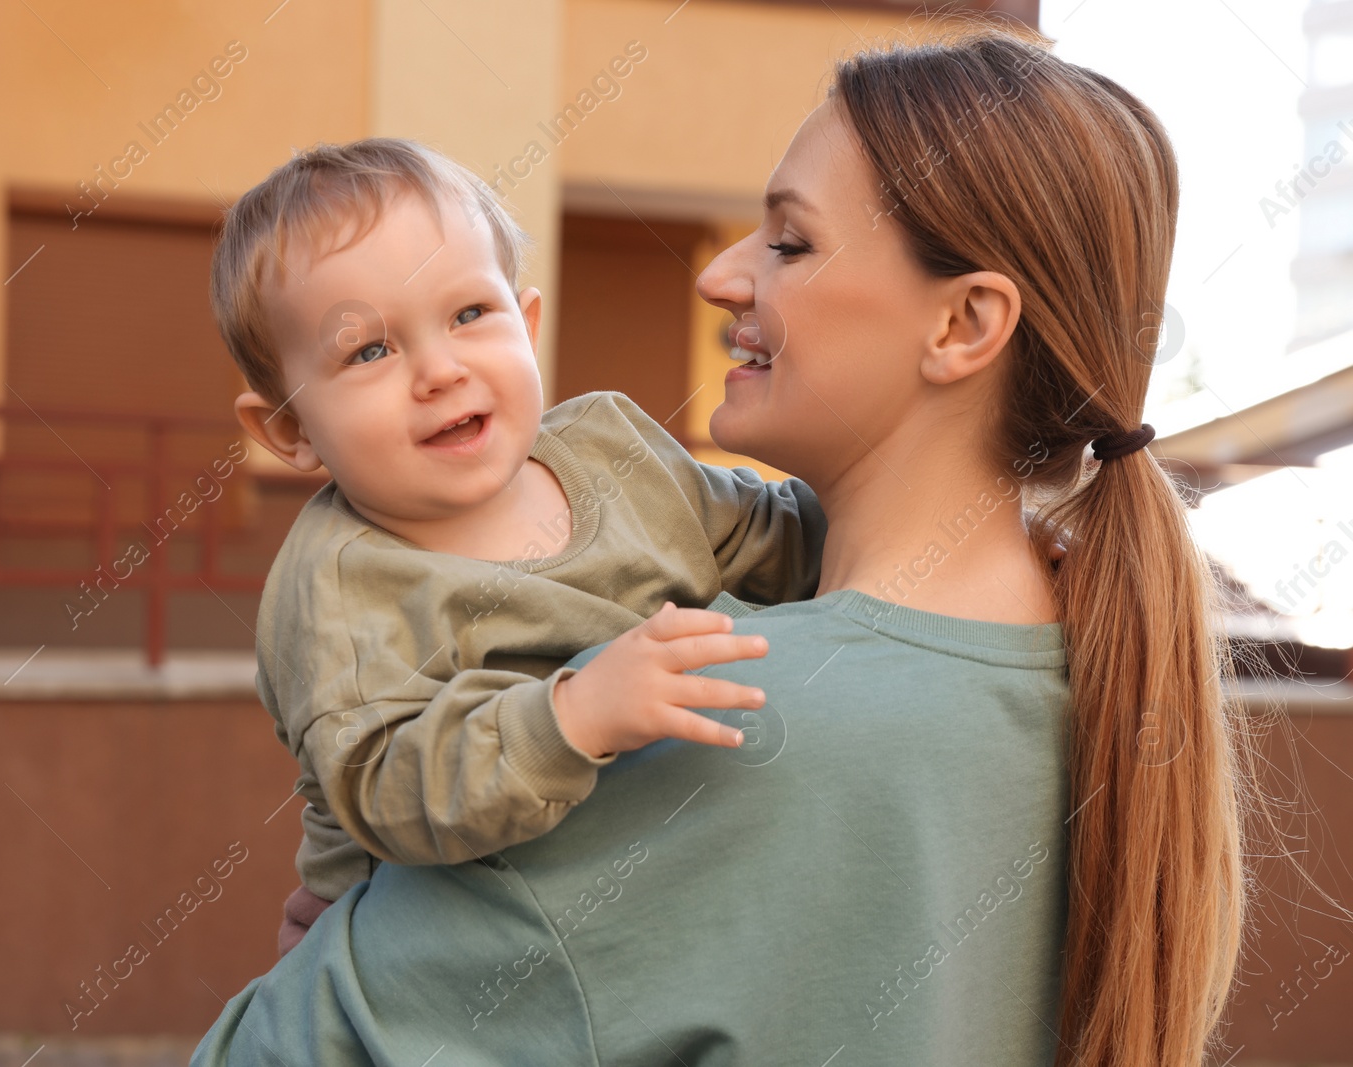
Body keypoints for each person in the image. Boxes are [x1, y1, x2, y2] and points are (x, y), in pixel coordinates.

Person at [193, 23, 1250, 1067]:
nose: (721, 276)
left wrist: (356, 942)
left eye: (789, 241)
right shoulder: (1094, 668)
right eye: (370, 348)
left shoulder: (714, 712)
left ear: (963, 325)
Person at [209, 139, 828, 954]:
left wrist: (970, 518)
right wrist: (572, 714)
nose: (440, 370)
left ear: (527, 324)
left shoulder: (615, 449)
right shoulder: (342, 586)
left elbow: (776, 534)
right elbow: (387, 786)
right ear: (290, 428)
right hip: (424, 947)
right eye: (369, 350)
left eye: (469, 314)